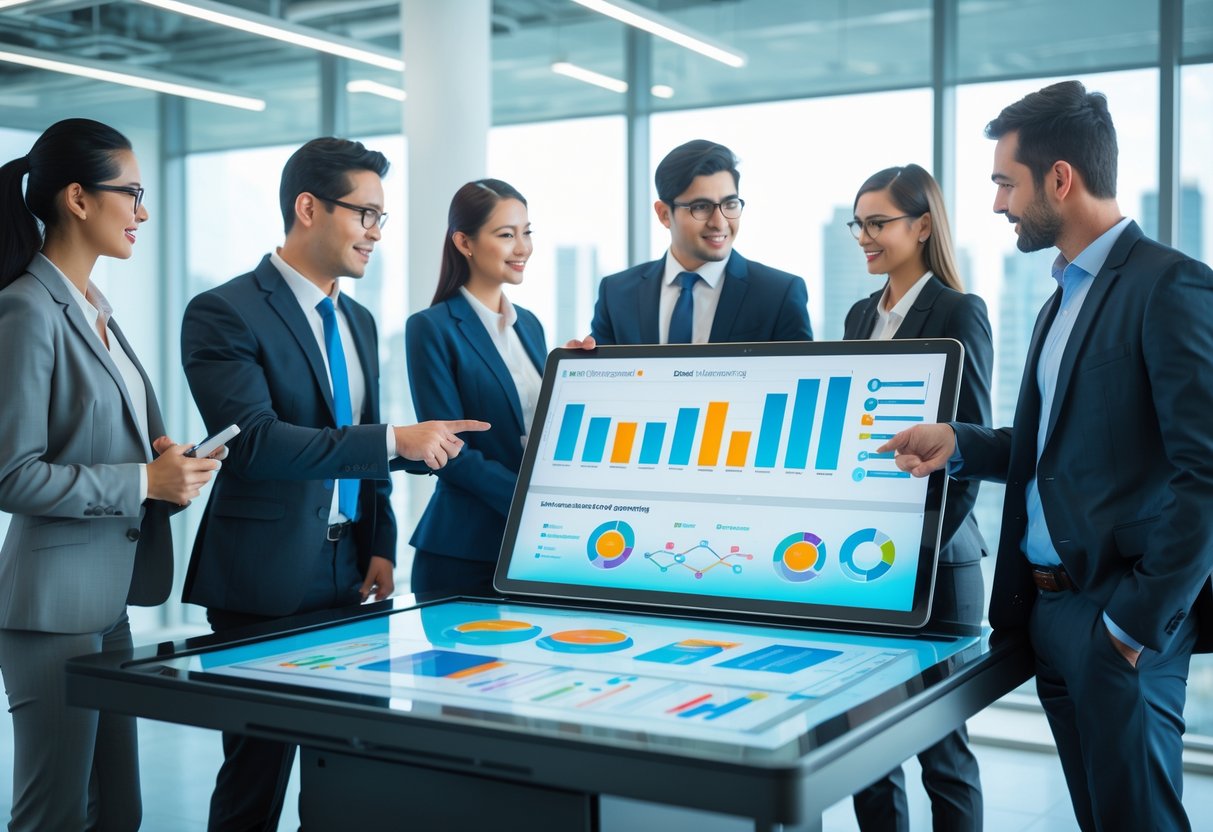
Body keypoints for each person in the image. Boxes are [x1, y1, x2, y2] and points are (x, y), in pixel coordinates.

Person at [880, 81, 1213, 832]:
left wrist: (1133, 625)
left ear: (1059, 179)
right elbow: (1053, 450)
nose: (997, 204)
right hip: (1049, 613)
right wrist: (961, 444)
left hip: (1117, 618)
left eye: (1005, 182)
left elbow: (1207, 476)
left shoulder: (1168, 287)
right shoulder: (1059, 297)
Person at [180, 137, 489, 831]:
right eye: (366, 214)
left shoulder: (357, 317)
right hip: (263, 576)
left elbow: (359, 438)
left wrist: (380, 539)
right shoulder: (224, 311)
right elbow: (255, 441)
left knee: (347, 773)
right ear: (308, 208)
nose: (376, 233)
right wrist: (393, 440)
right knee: (255, 780)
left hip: (351, 573)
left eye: (381, 218)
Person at [0, 119, 218, 831]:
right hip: (49, 609)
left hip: (108, 603)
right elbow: (12, 475)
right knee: (54, 813)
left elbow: (118, 454)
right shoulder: (26, 310)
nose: (143, 212)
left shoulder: (99, 312)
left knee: (118, 810)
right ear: (78, 199)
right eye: (132, 193)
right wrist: (141, 484)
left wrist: (169, 473)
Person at [843, 164, 992, 831]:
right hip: (865, 558)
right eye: (858, 224)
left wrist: (916, 550)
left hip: (933, 562)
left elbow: (973, 445)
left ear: (922, 225)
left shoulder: (959, 311)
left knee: (942, 750)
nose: (863, 237)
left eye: (877, 223)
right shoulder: (857, 315)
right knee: (865, 747)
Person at [405, 179, 546, 597]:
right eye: (506, 235)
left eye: (526, 232)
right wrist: (527, 501)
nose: (522, 247)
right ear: (464, 242)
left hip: (530, 547)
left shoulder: (531, 326)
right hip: (464, 552)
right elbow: (447, 450)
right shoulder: (431, 328)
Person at [586, 139, 812, 345]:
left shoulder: (778, 294)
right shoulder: (616, 293)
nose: (720, 223)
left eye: (730, 204)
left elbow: (801, 382)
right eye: (701, 207)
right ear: (664, 214)